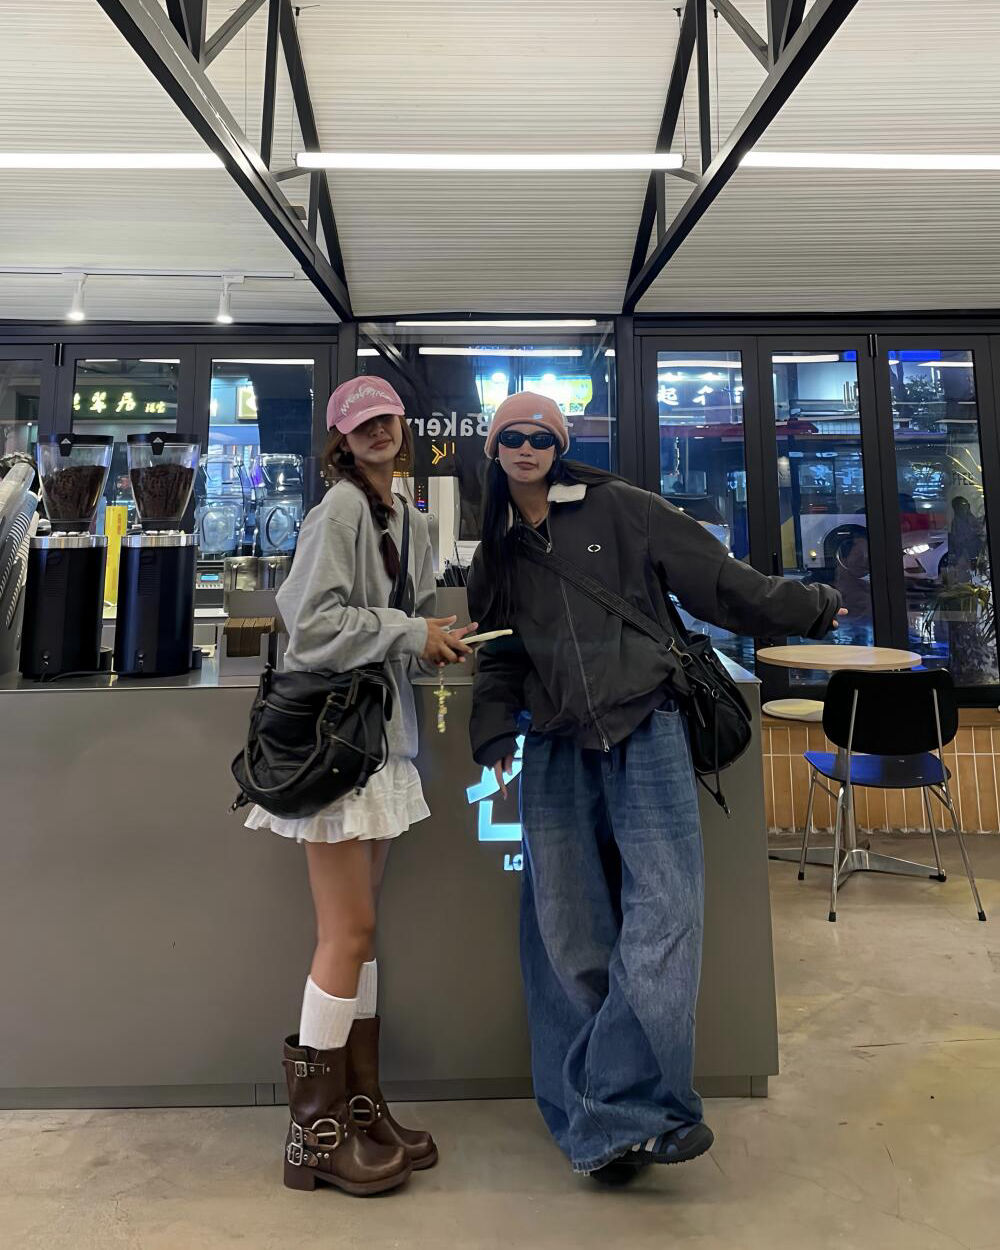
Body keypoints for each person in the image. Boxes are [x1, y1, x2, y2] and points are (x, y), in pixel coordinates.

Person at [467, 392, 844, 1184]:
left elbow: (719, 580)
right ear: (494, 450)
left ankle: (620, 1111)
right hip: (557, 742)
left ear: (560, 447)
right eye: (511, 437)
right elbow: (499, 653)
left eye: (541, 436)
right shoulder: (495, 553)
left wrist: (808, 606)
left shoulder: (622, 508)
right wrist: (493, 727)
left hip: (648, 723)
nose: (526, 447)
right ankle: (598, 1122)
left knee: (668, 913)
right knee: (565, 929)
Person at [246, 375, 477, 1196]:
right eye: (362, 422)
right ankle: (313, 1137)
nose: (378, 430)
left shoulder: (406, 517)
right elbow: (309, 626)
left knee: (362, 934)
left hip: (375, 742)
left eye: (387, 418)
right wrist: (410, 631)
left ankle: (360, 1107)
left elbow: (396, 626)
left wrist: (430, 638)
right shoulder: (340, 510)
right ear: (341, 439)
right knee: (347, 933)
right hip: (336, 745)